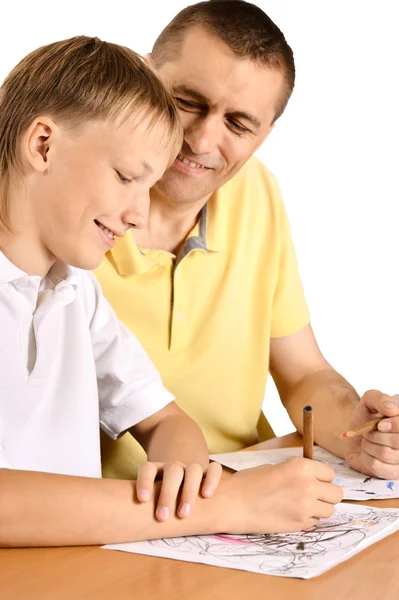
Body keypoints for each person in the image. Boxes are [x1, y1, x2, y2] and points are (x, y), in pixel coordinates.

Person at [0, 35, 344, 548]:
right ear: (43, 144)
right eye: (125, 178)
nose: (139, 213)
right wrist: (223, 506)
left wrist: (184, 484)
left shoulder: (75, 289)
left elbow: (164, 418)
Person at [96, 0, 399, 482]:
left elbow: (303, 373)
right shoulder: (71, 210)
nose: (200, 139)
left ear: (266, 134)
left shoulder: (257, 189)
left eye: (238, 124)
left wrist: (359, 428)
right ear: (143, 73)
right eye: (187, 102)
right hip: (111, 507)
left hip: (243, 489)